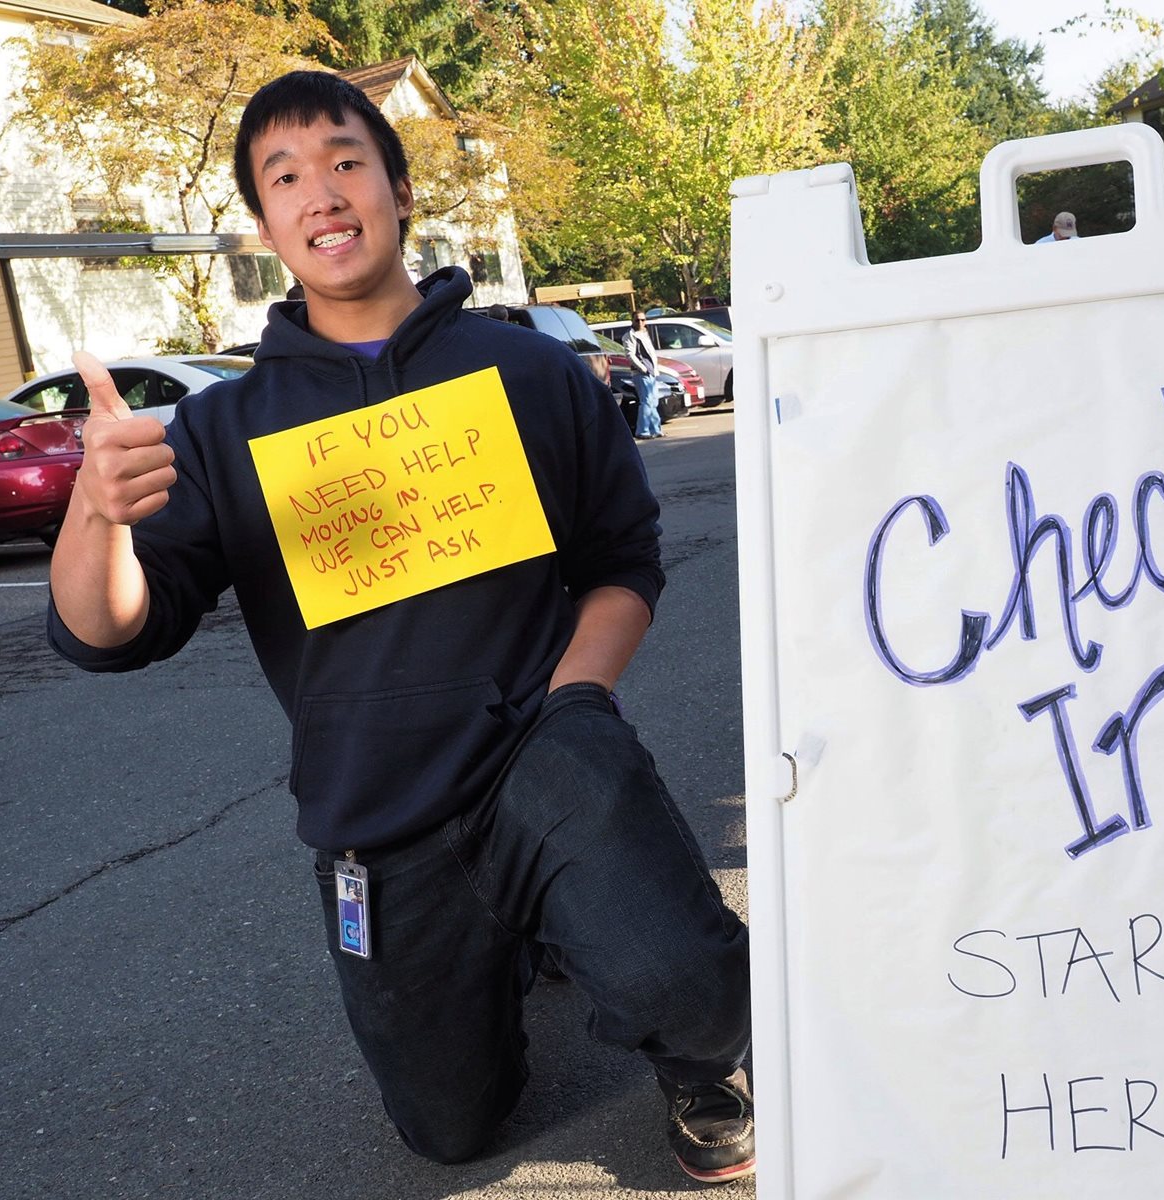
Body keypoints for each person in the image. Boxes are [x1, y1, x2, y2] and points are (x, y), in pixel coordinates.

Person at [46, 70, 753, 1185]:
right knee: (450, 1128)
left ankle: (690, 1049)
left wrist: (578, 705)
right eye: (285, 178)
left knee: (693, 987)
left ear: (399, 187)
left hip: (544, 758)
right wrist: (97, 512)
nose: (320, 193)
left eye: (343, 162)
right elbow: (113, 632)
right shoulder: (225, 426)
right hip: (376, 816)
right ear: (266, 226)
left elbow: (622, 564)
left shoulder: (527, 371)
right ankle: (518, 939)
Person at [622, 311, 663, 440]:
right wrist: (643, 368)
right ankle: (642, 431)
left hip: (652, 372)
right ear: (632, 321)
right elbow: (630, 355)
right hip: (641, 373)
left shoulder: (645, 333)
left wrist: (654, 369)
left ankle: (655, 429)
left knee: (653, 402)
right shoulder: (629, 336)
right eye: (637, 320)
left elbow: (651, 353)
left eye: (643, 320)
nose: (640, 322)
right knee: (646, 402)